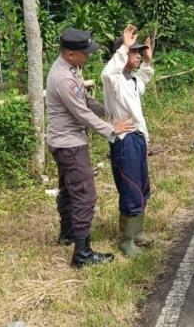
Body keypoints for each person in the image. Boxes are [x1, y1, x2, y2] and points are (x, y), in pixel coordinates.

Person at [46, 28, 134, 268]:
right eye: (85, 53)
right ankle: (82, 252)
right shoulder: (63, 78)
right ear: (71, 54)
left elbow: (86, 99)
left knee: (68, 190)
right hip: (70, 145)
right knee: (84, 195)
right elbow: (82, 113)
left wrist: (109, 111)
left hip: (62, 142)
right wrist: (111, 128)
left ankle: (68, 234)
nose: (89, 56)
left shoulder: (70, 68)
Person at [101, 25, 154, 258]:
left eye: (139, 52)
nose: (138, 55)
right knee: (130, 188)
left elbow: (144, 78)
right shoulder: (113, 81)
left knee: (142, 186)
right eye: (135, 52)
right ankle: (126, 241)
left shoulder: (130, 79)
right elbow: (107, 73)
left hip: (138, 136)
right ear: (121, 55)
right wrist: (124, 46)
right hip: (125, 140)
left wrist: (148, 61)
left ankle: (139, 232)